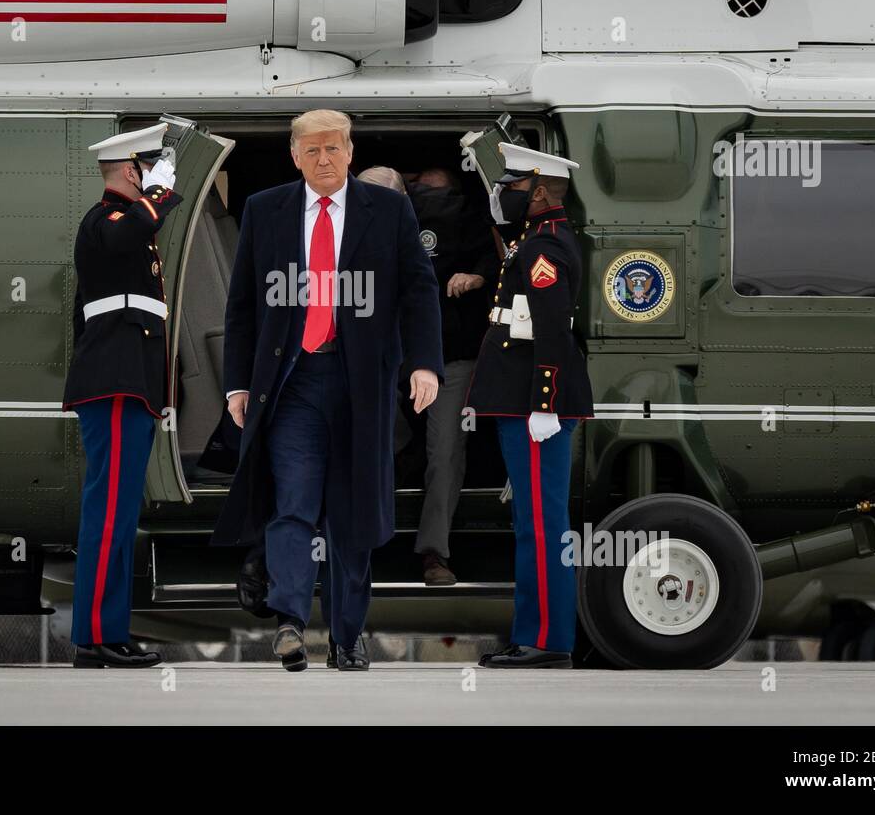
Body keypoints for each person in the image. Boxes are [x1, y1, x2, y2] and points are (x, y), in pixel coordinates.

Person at [213, 109, 444, 671]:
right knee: (290, 502)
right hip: (291, 384)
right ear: (295, 156)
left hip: (360, 382)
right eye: (312, 150)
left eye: (333, 149)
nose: (324, 159)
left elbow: (419, 289)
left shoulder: (387, 209)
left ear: (350, 152)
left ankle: (346, 637)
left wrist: (425, 365)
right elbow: (242, 304)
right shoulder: (265, 210)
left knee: (352, 513)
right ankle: (290, 622)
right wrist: (237, 383)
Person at [465, 144, 594, 669]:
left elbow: (552, 331)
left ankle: (547, 640)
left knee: (542, 524)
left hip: (534, 406)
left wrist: (545, 402)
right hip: (521, 402)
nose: (505, 195)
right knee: (532, 522)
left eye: (513, 187)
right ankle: (534, 634)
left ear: (540, 191)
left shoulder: (546, 247)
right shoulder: (536, 240)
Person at [63, 123, 181, 669]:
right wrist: (157, 194)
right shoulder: (106, 221)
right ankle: (96, 635)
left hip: (127, 385)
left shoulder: (127, 227)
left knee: (118, 511)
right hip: (113, 386)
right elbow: (126, 233)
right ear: (133, 170)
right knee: (107, 512)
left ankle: (106, 631)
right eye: (147, 171)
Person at [405, 167, 499, 585]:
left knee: (444, 453)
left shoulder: (478, 226)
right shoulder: (387, 218)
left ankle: (433, 551)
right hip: (395, 359)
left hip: (449, 359)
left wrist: (482, 275)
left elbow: (501, 263)